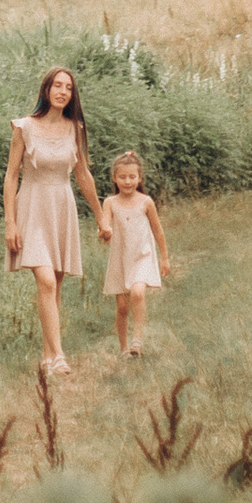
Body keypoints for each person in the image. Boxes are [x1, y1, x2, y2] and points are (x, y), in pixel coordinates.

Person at [4, 64, 108, 374]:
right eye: (57, 85)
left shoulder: (74, 128)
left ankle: (48, 357)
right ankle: (60, 356)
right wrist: (10, 222)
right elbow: (10, 176)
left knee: (55, 287)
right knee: (46, 281)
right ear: (46, 90)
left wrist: (102, 217)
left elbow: (83, 174)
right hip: (32, 208)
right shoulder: (23, 127)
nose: (63, 91)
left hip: (61, 207)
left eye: (69, 88)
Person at [99, 150, 171, 356]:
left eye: (132, 177)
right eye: (122, 177)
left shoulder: (146, 202)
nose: (128, 181)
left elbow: (158, 230)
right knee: (122, 306)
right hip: (120, 259)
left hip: (142, 256)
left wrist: (164, 257)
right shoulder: (110, 202)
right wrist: (104, 232)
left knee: (138, 293)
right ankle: (123, 348)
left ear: (139, 178)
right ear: (114, 178)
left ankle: (137, 340)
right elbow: (106, 225)